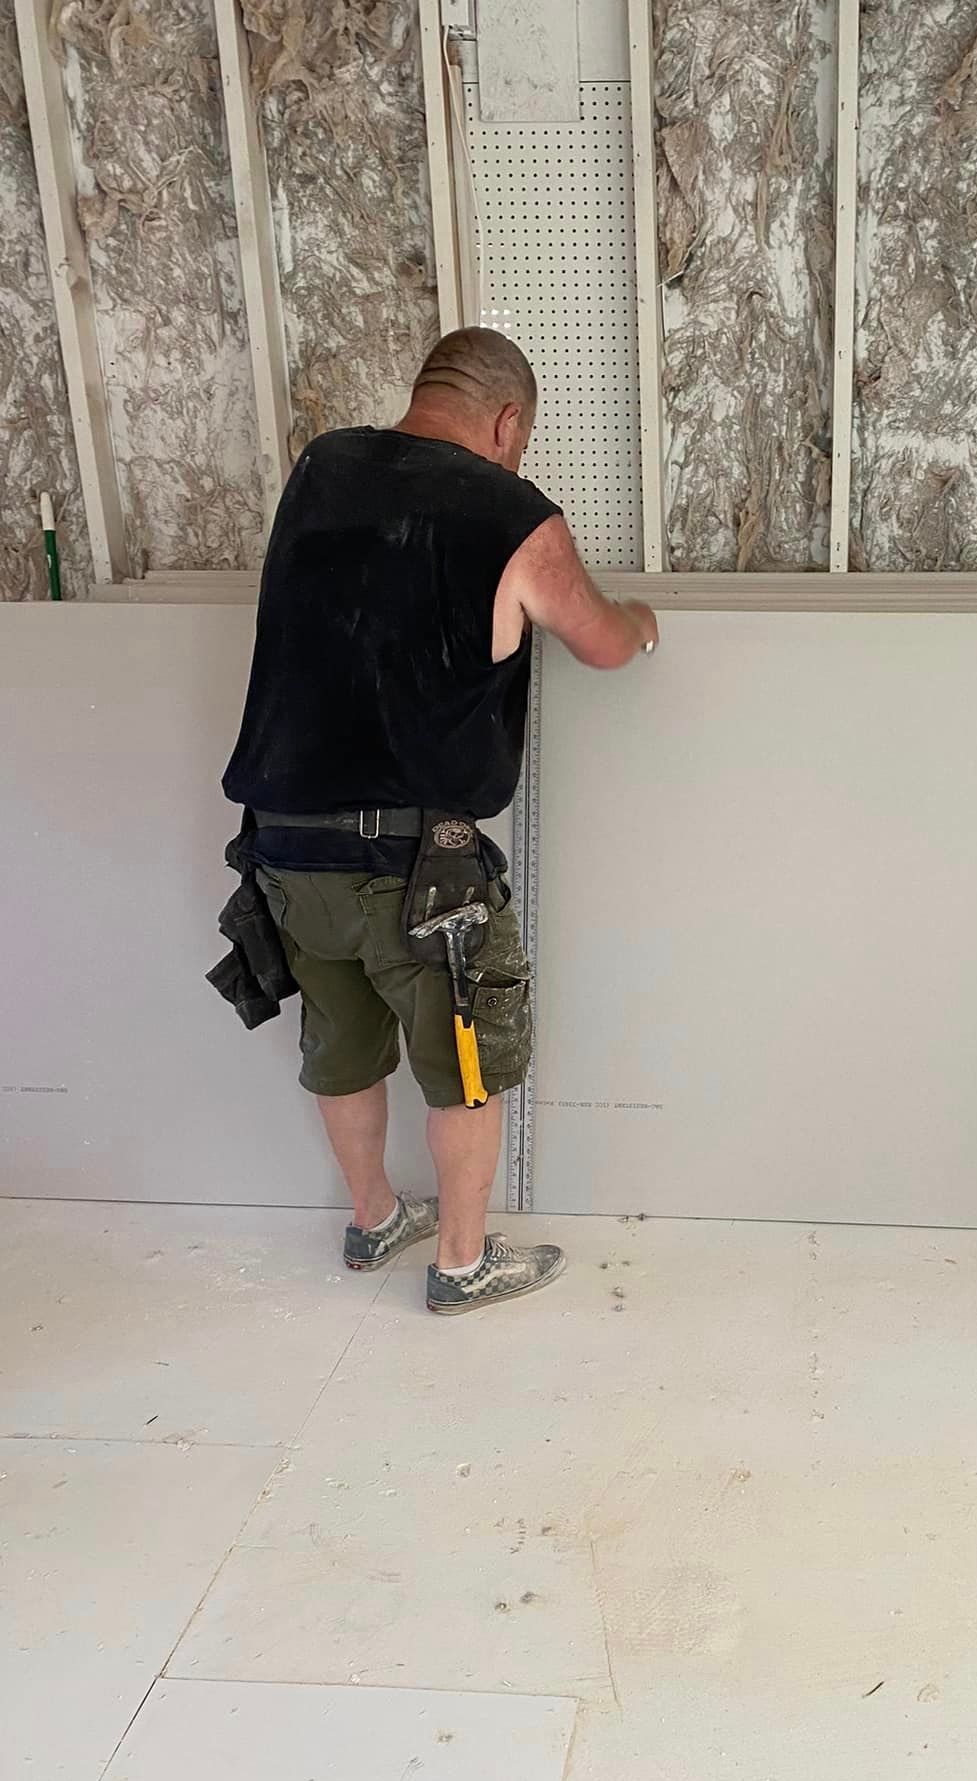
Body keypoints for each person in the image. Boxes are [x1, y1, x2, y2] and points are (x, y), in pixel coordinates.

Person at [220, 326, 658, 1315]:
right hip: (418, 874)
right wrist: (638, 618)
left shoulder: (321, 469)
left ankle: (374, 1217)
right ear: (508, 422)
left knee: (339, 1043)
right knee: (466, 1063)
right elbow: (600, 641)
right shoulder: (511, 514)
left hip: (285, 853)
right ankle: (463, 1263)